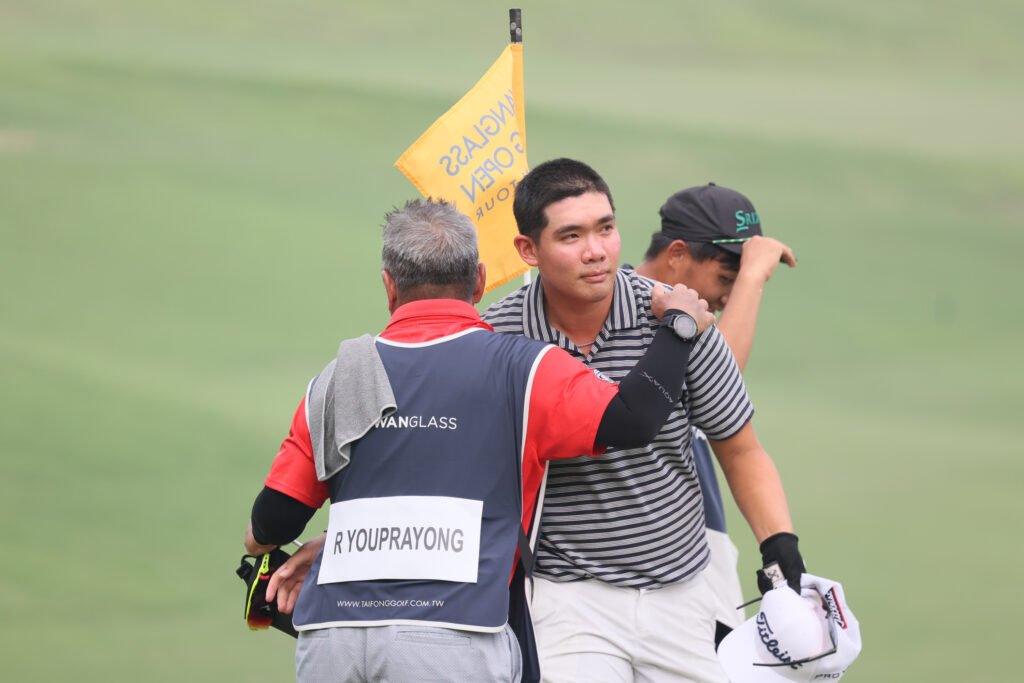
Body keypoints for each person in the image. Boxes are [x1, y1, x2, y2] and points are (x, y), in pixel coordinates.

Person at [242, 198, 715, 683]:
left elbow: (272, 521)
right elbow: (632, 419)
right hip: (455, 635)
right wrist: (678, 327)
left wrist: (273, 542)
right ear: (480, 280)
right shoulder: (526, 368)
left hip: (333, 637)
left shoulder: (340, 375)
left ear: (389, 286)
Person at [481, 158, 805, 683]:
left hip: (684, 591)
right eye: (570, 235)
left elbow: (740, 448)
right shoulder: (496, 336)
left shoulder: (683, 317)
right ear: (527, 250)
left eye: (605, 228)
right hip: (567, 598)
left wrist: (780, 547)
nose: (596, 250)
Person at [631, 183, 797, 642]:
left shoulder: (692, 323)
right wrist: (751, 279)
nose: (727, 297)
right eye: (724, 280)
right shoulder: (616, 316)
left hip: (700, 556)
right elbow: (714, 375)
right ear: (677, 255)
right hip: (647, 574)